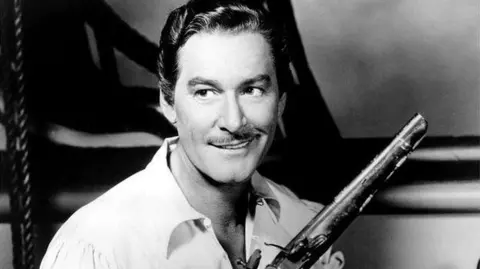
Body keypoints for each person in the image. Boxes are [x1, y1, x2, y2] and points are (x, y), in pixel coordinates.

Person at [40, 0, 345, 268]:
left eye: (252, 90)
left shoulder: (303, 223)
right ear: (168, 103)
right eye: (205, 92)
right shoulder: (97, 247)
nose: (234, 121)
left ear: (280, 103)